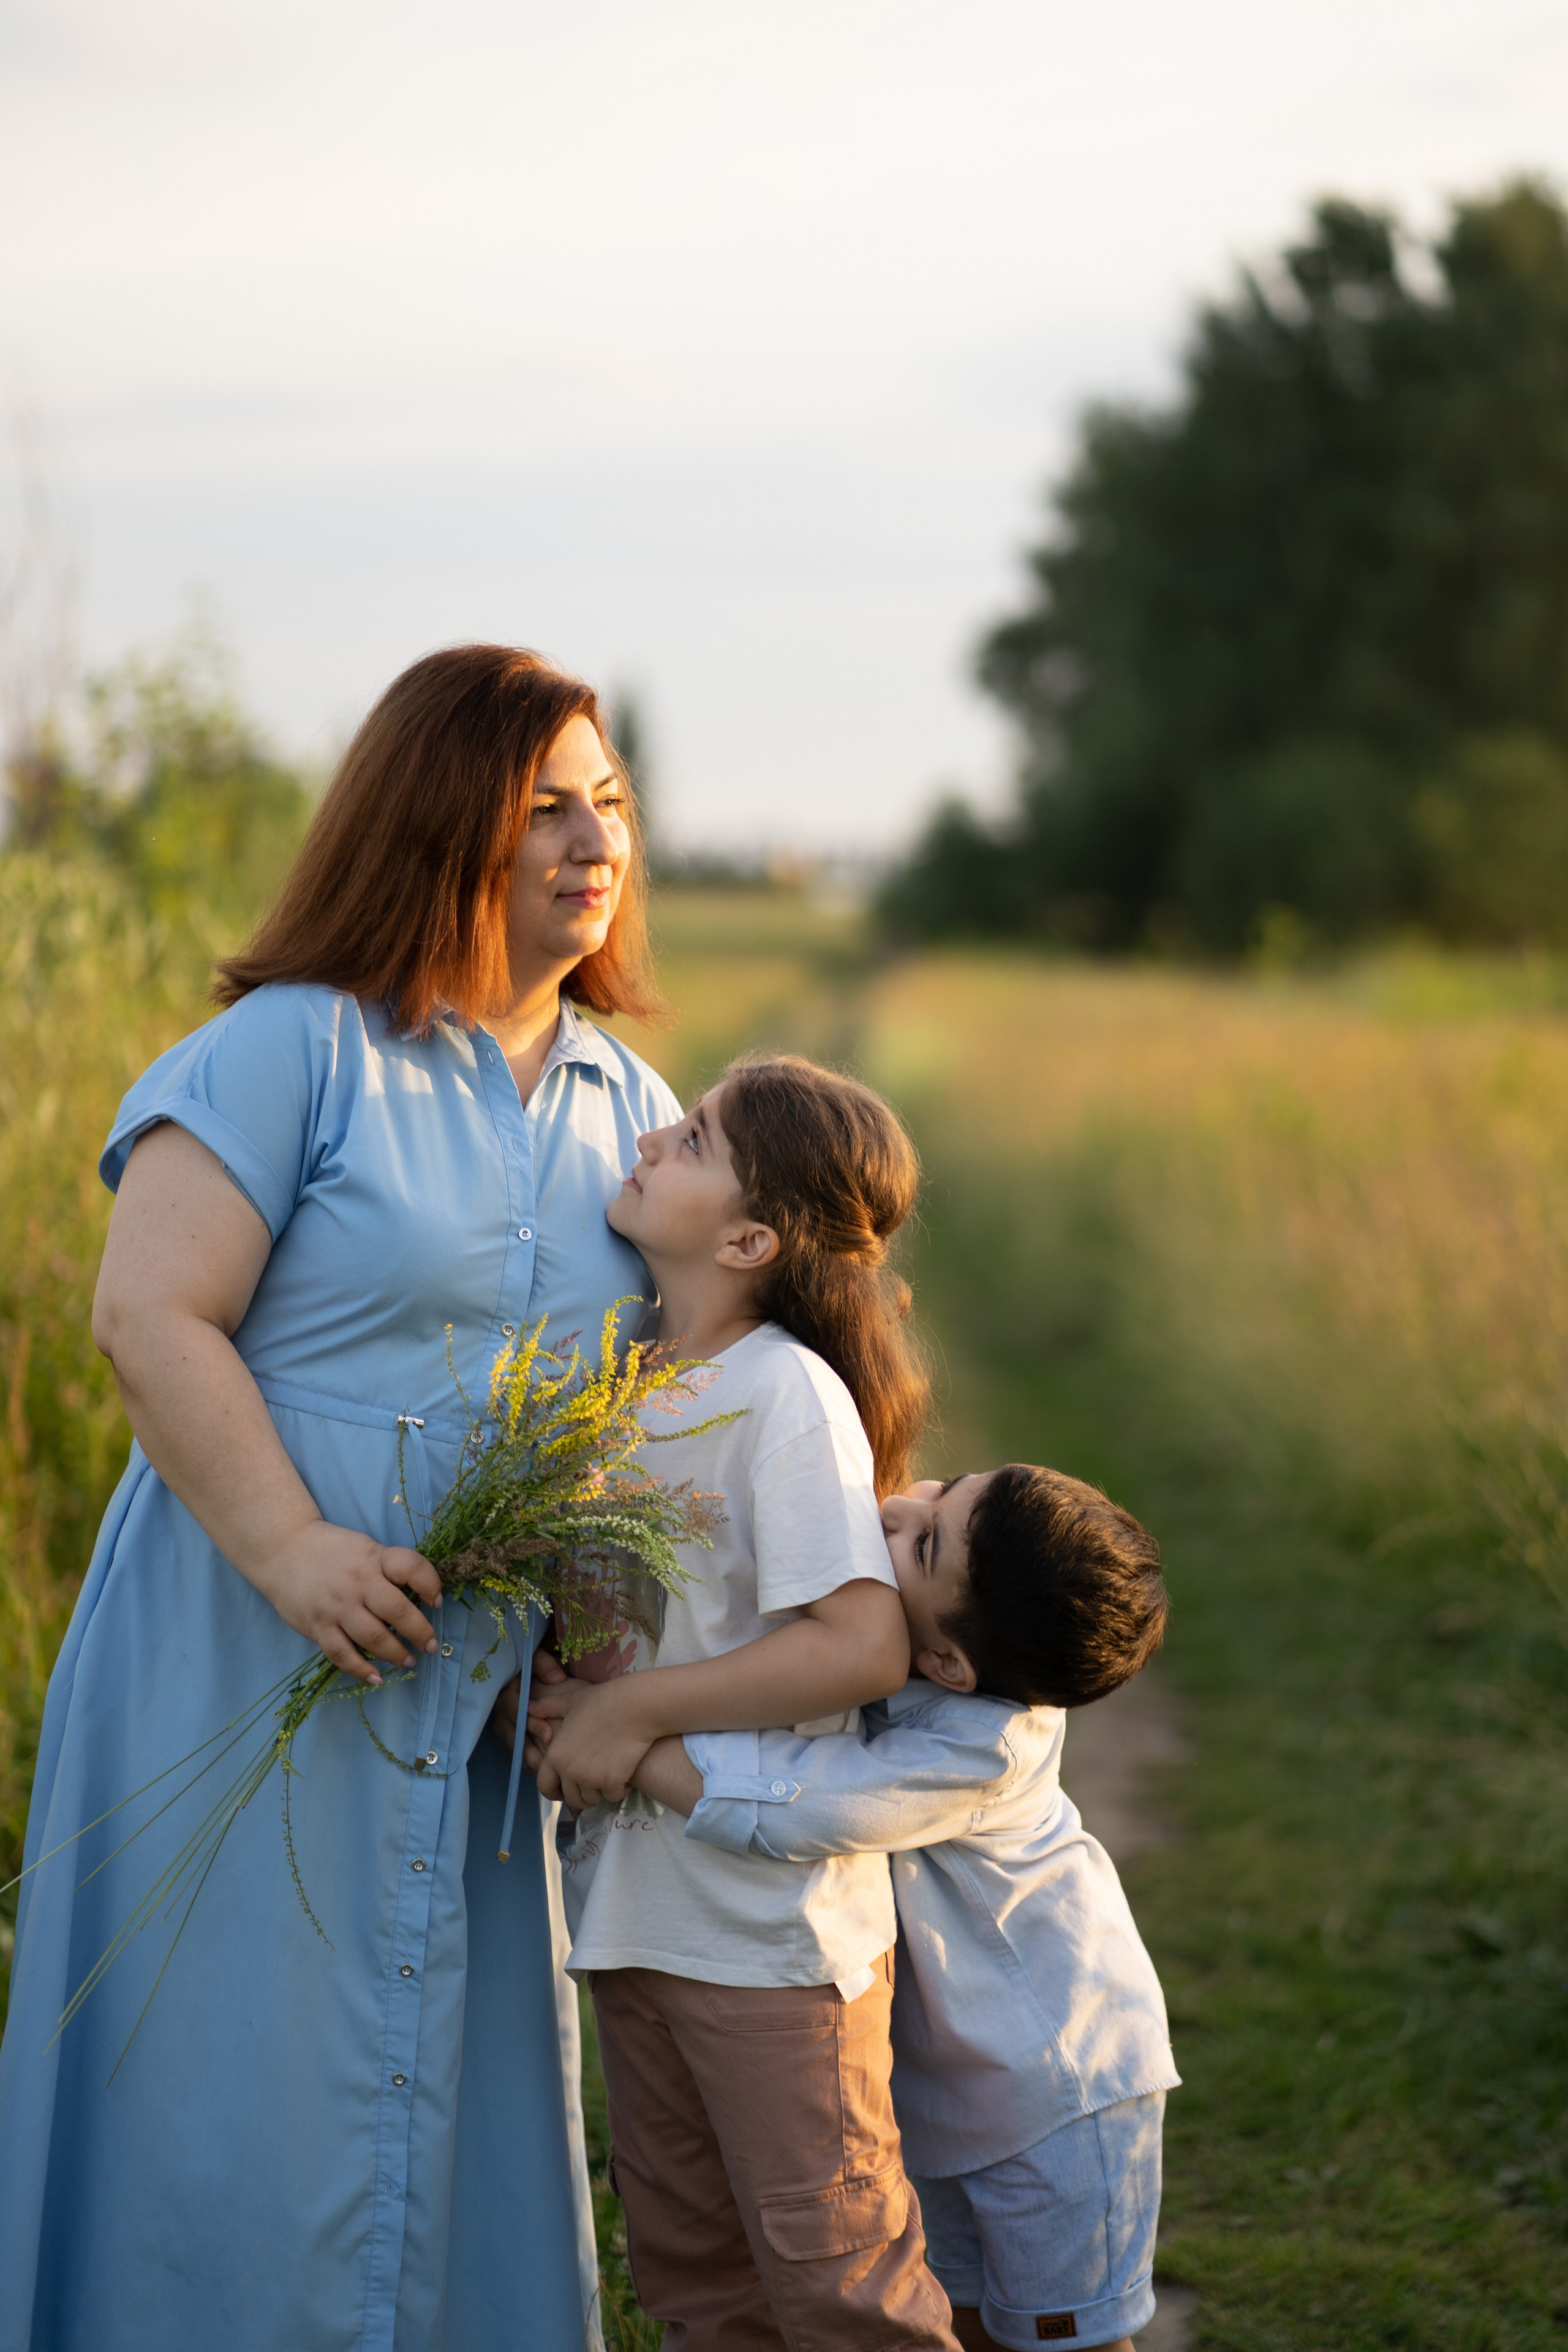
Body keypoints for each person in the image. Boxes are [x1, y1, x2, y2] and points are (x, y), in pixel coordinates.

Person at [0, 646, 679, 2352]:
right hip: (236, 1654)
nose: (589, 842)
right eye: (542, 809)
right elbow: (149, 1315)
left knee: (439, 2095)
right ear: (440, 820)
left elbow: (664, 1403)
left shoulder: (641, 1113)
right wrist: (295, 1548)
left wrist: (606, 1607)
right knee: (222, 2099)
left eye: (607, 802)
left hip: (468, 1697)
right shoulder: (291, 1053)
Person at [521, 1055, 963, 2351]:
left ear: (749, 1236)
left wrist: (631, 1713)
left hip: (768, 1942)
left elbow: (858, 1642)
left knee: (842, 2293)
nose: (652, 1133)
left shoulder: (783, 1391)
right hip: (631, 1919)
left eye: (696, 1134)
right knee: (695, 2285)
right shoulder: (624, 1380)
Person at [616, 1463, 1181, 2352]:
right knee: (954, 2315)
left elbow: (813, 1803)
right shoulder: (931, 1652)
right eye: (942, 1486)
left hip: (1058, 2094)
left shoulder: (987, 1745)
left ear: (950, 1664)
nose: (895, 1505)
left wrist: (632, 1747)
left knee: (1068, 2339)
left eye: (924, 1541)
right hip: (941, 2092)